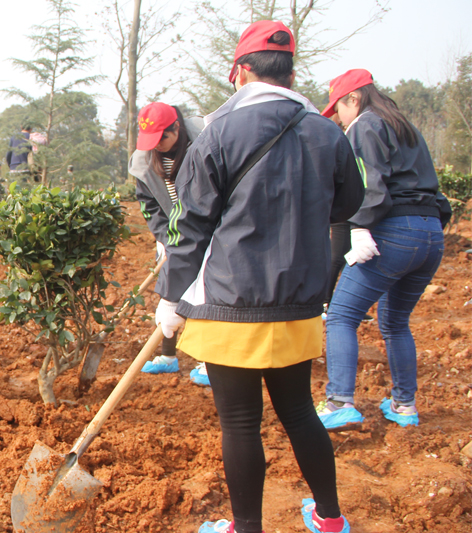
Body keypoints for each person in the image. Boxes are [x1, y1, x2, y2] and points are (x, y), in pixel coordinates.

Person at [153, 21, 364, 533]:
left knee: (241, 422)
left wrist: (170, 297)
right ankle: (330, 518)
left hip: (230, 303)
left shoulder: (218, 133)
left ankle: (247, 526)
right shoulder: (324, 130)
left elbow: (190, 226)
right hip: (298, 301)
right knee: (298, 412)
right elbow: (351, 202)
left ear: (242, 71)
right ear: (290, 72)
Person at [316, 69, 451, 431]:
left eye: (339, 109)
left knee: (342, 315)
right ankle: (404, 405)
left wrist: (359, 228)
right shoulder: (405, 127)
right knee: (394, 321)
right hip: (430, 233)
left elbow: (369, 184)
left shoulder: (365, 125)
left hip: (393, 230)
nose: (339, 118)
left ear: (354, 99)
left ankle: (339, 401)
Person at [128, 101, 210, 386]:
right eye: (151, 140)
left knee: (209, 293)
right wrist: (165, 238)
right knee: (168, 289)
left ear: (177, 127)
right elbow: (150, 205)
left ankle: (210, 361)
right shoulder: (144, 161)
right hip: (173, 232)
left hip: (211, 229)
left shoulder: (206, 142)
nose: (157, 145)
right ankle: (167, 357)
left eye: (163, 137)